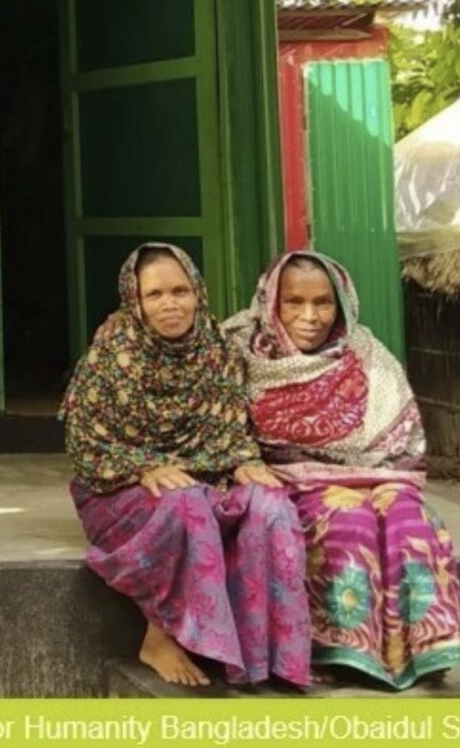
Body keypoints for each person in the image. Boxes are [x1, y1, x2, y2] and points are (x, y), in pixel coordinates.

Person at [60, 243, 312, 688]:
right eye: (154, 295)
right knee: (185, 503)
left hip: (206, 477)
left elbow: (232, 432)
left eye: (180, 291)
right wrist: (142, 467)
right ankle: (160, 638)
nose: (170, 304)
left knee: (269, 504)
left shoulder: (218, 352)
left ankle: (268, 657)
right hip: (117, 490)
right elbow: (86, 446)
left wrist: (243, 462)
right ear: (133, 300)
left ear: (198, 292)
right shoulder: (108, 358)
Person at [222, 251, 460, 689]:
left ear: (343, 303)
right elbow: (220, 432)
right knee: (348, 519)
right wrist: (246, 463)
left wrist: (378, 484)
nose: (310, 316)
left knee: (412, 521)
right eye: (294, 302)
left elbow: (401, 436)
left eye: (323, 303)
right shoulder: (238, 351)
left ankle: (420, 652)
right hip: (289, 483)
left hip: (380, 477)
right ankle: (340, 652)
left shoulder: (367, 352)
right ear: (271, 302)